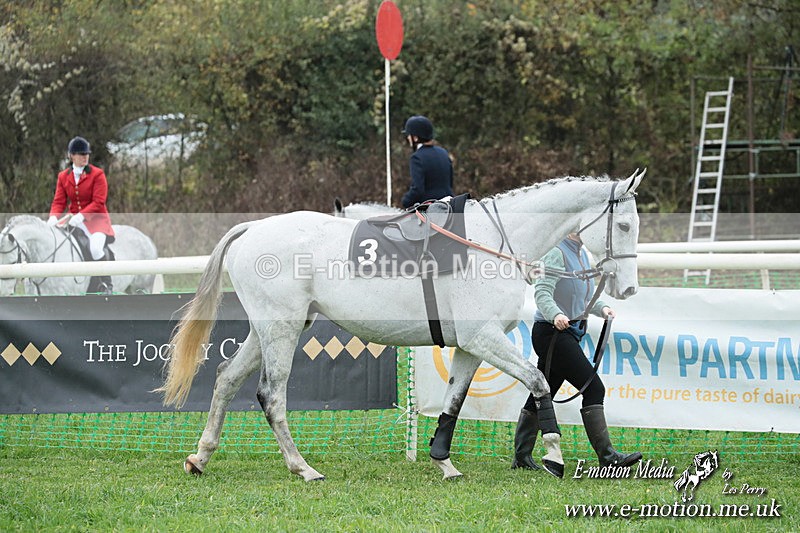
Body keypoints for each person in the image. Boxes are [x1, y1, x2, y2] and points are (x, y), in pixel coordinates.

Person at [512, 233, 642, 472]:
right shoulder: (555, 251)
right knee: (594, 388)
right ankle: (608, 458)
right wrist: (556, 314)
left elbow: (582, 295)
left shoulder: (581, 254)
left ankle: (521, 457)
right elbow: (542, 293)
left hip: (567, 334)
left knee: (543, 392)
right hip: (552, 333)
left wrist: (601, 308)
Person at [47, 136, 115, 294]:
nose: (85, 156)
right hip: (73, 220)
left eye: (86, 154)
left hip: (97, 221)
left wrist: (82, 216)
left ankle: (106, 283)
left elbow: (99, 202)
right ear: (71, 156)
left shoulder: (97, 174)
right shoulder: (63, 176)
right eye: (80, 154)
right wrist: (53, 217)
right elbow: (59, 201)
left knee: (96, 248)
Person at [400, 115, 454, 209]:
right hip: (450, 206)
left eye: (409, 135)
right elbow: (450, 183)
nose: (408, 138)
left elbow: (417, 190)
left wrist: (405, 201)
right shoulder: (443, 152)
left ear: (415, 138)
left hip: (431, 210)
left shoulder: (417, 157)